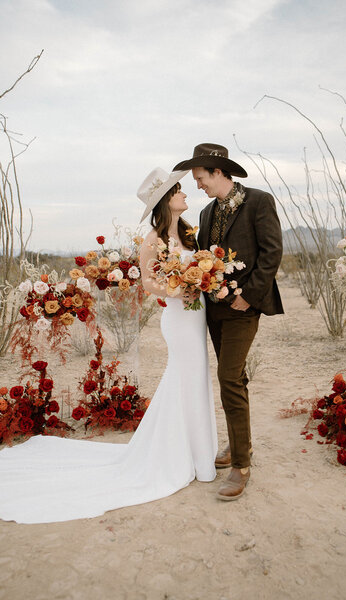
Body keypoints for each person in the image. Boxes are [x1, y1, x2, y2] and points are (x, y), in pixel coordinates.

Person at [0, 167, 217, 524]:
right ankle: (186, 458)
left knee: (196, 380)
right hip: (179, 318)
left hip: (197, 317)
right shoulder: (154, 240)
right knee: (185, 378)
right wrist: (179, 290)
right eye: (178, 190)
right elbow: (149, 283)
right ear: (166, 201)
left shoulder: (190, 236)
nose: (184, 194)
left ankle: (199, 455)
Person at [173, 143, 283, 501]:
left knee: (229, 378)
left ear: (218, 172)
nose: (199, 185)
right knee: (234, 377)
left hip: (245, 308)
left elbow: (272, 252)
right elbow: (204, 257)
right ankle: (242, 445)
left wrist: (248, 295)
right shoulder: (206, 213)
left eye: (201, 178)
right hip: (214, 310)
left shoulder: (259, 201)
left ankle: (240, 465)